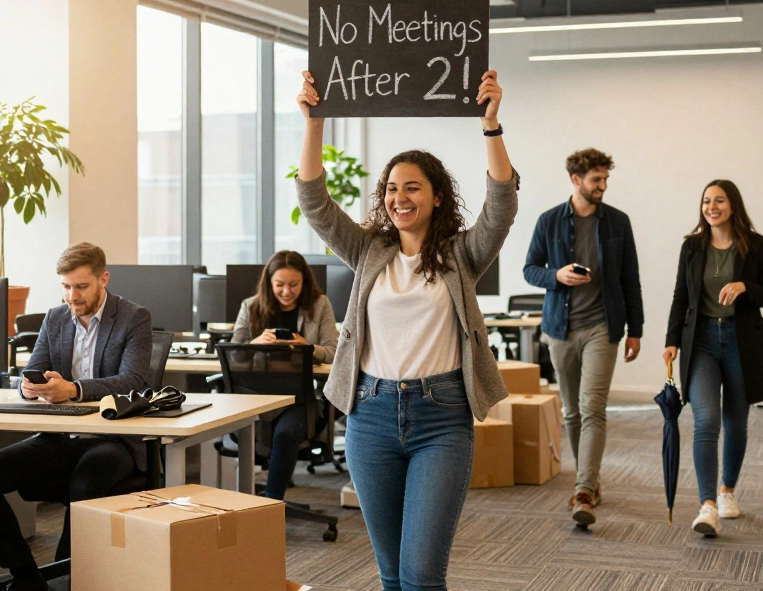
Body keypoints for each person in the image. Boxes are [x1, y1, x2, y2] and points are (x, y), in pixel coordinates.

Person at [295, 69, 517, 591]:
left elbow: (502, 207)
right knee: (392, 575)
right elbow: (314, 203)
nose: (398, 198)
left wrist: (491, 127)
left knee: (420, 575)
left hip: (441, 419)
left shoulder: (463, 255)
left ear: (437, 196)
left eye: (412, 187)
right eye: (391, 189)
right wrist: (314, 123)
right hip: (370, 416)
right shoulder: (370, 251)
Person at [0, 242, 153, 591]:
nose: (72, 295)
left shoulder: (133, 318)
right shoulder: (56, 317)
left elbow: (132, 381)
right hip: (62, 435)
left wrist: (75, 390)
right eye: (65, 286)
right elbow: (33, 369)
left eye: (81, 286)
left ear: (103, 279)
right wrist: (30, 387)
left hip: (114, 439)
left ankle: (69, 580)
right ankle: (29, 578)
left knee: (84, 483)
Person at [522, 148, 643, 528]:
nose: (602, 186)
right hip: (560, 328)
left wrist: (636, 331)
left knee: (593, 407)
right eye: (596, 180)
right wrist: (555, 276)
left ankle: (583, 488)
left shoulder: (618, 223)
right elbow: (529, 269)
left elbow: (630, 279)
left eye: (605, 180)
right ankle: (588, 480)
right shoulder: (549, 221)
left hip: (602, 328)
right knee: (571, 412)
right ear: (576, 180)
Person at [663, 180, 763, 537]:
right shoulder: (692, 247)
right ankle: (707, 504)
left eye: (719, 201)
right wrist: (671, 341)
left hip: (741, 342)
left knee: (736, 423)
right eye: (706, 201)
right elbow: (680, 296)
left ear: (733, 205)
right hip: (701, 344)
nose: (711, 207)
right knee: (706, 420)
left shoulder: (755, 246)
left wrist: (745, 287)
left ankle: (727, 489)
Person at [231, 250, 338, 500]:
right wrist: (255, 343)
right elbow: (233, 354)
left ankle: (272, 502)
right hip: (255, 396)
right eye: (280, 285)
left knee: (287, 432)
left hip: (298, 396)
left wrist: (307, 349)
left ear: (304, 282)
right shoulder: (251, 306)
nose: (287, 292)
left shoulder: (320, 305)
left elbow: (334, 351)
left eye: (293, 285)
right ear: (269, 283)